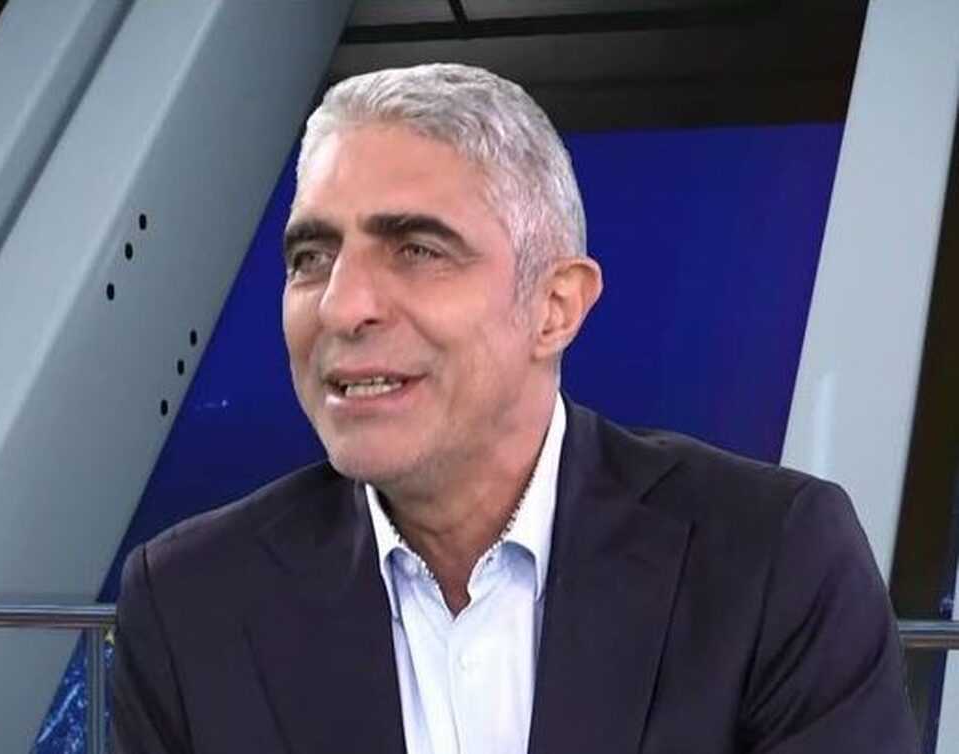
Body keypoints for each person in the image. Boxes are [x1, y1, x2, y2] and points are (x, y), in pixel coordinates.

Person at [111, 63, 917, 754]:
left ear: (555, 308)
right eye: (311, 257)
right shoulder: (189, 603)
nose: (342, 306)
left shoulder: (772, 561)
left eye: (417, 250)